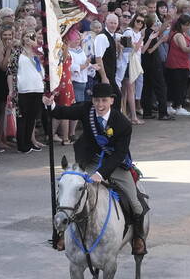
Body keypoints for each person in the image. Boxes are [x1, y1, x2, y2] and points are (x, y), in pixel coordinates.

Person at [45, 82, 147, 255]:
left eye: (104, 101)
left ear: (111, 101)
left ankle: (138, 237)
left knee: (135, 202)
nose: (100, 105)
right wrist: (51, 104)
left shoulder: (123, 123)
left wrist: (102, 173)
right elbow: (64, 112)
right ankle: (62, 234)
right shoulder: (87, 110)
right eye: (97, 100)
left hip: (115, 164)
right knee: (72, 191)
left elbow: (120, 154)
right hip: (90, 160)